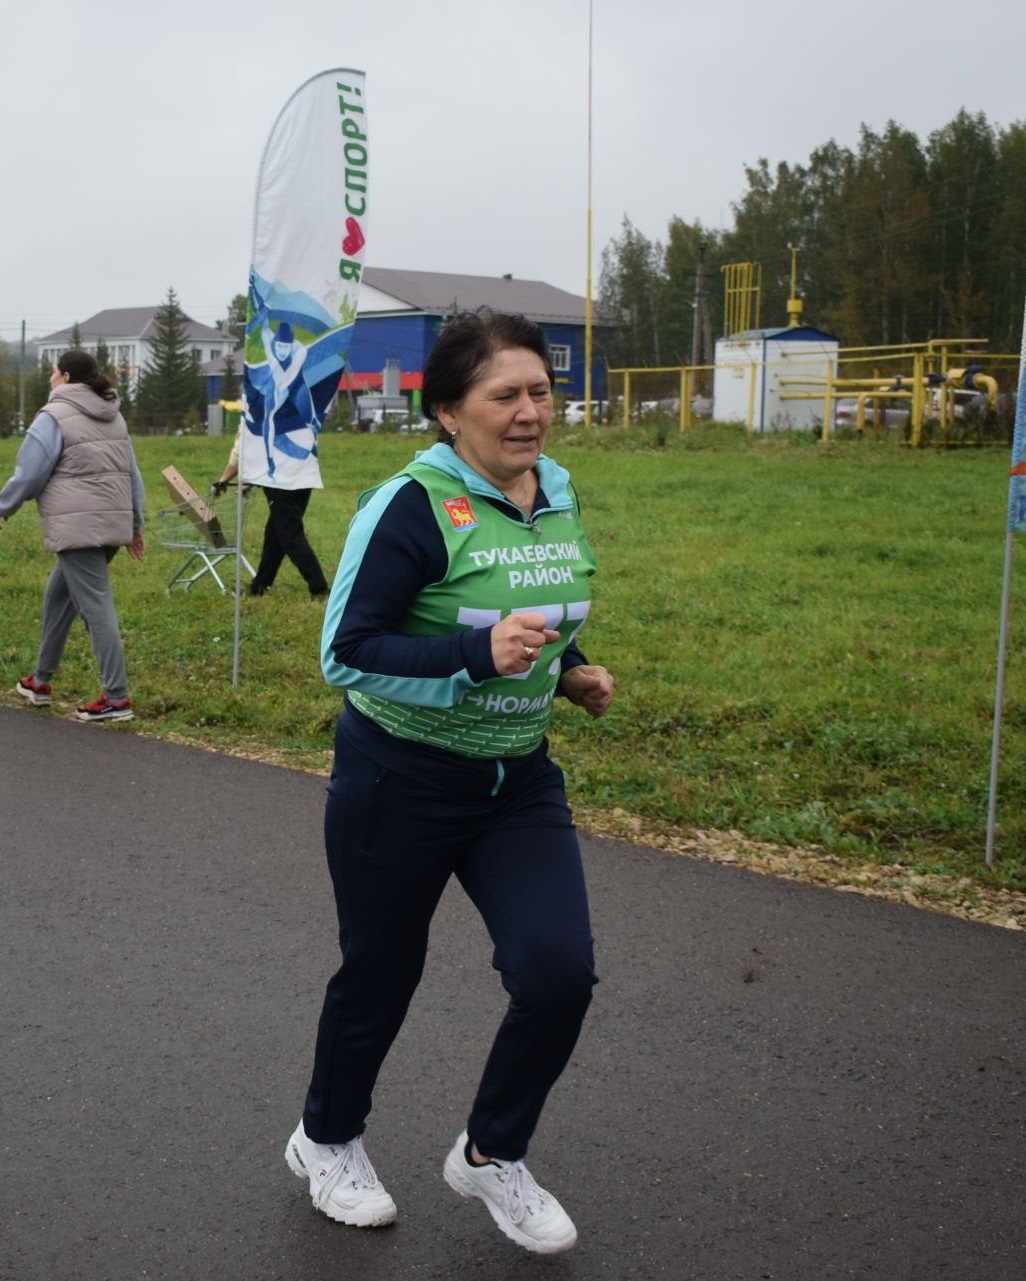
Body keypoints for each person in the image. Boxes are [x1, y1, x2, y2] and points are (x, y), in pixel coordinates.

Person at [286, 311, 616, 1255]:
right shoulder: (412, 503)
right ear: (446, 411)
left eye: (540, 393)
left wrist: (573, 663)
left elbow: (536, 603)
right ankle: (327, 1139)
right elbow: (346, 651)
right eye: (503, 395)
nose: (529, 414)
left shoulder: (554, 490)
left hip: (517, 782)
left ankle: (491, 1152)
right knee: (383, 976)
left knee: (559, 976)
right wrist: (479, 653)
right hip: (400, 778)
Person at [0, 349, 145, 722]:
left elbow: (30, 471)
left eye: (52, 373)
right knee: (58, 598)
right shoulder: (114, 415)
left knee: (96, 607)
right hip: (110, 526)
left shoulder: (53, 416)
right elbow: (132, 474)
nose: (49, 379)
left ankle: (117, 697)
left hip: (79, 528)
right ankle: (40, 682)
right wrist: (135, 525)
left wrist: (4, 506)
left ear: (65, 377)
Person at [211, 432, 328, 598]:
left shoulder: (257, 409)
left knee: (290, 535)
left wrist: (223, 480)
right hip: (304, 476)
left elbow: (242, 449)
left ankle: (320, 588)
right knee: (274, 534)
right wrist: (252, 481)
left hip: (280, 481)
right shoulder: (293, 409)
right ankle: (260, 586)